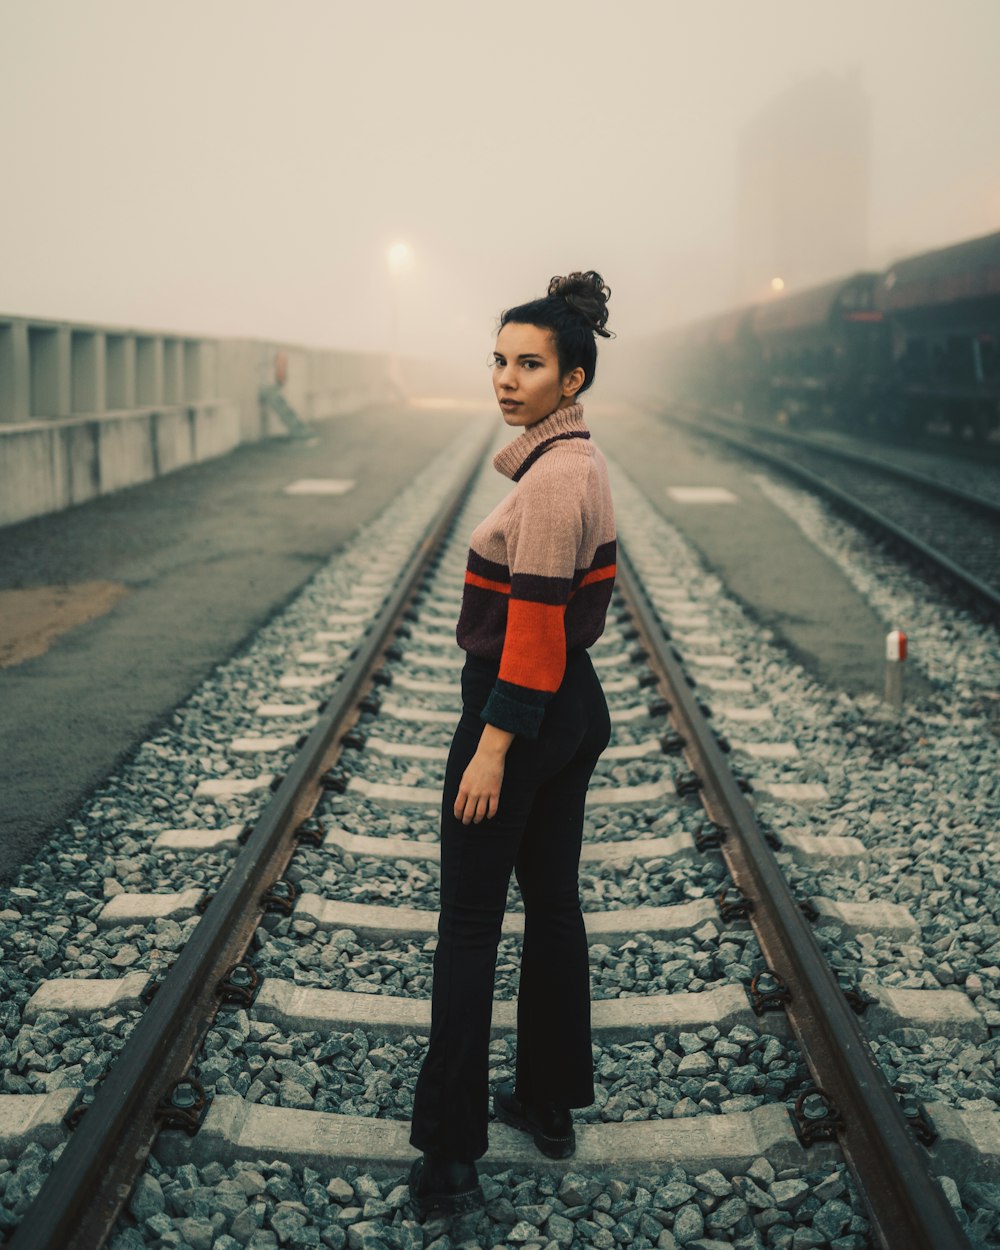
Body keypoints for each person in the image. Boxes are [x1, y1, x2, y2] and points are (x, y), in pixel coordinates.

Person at [408, 271, 617, 1218]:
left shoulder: (554, 480)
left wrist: (491, 746)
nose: (505, 378)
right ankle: (548, 1098)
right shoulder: (574, 463)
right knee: (553, 905)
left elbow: (532, 634)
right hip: (571, 711)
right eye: (498, 360)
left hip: (520, 712)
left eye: (529, 365)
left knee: (467, 925)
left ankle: (449, 1157)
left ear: (571, 380)